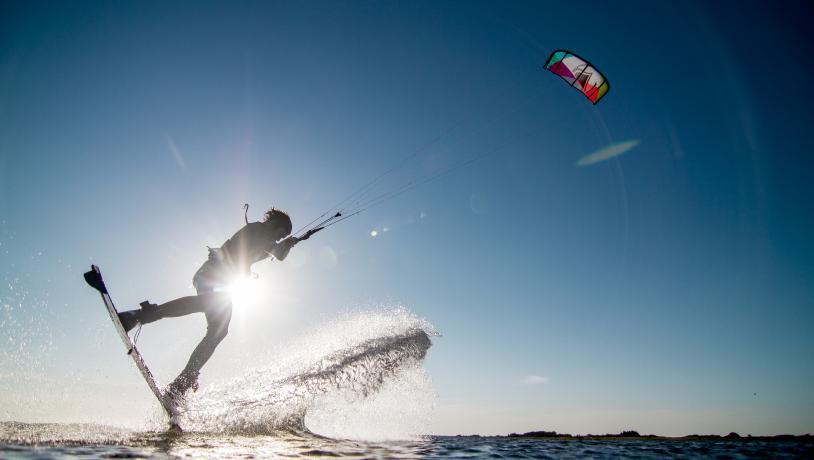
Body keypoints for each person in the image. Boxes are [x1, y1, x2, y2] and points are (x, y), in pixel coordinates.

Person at [117, 207, 300, 400]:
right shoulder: (258, 230)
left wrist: (289, 244)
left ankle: (182, 384)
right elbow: (273, 251)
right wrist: (284, 245)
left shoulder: (268, 240)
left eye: (284, 236)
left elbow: (278, 253)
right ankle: (139, 315)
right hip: (211, 275)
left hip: (223, 284)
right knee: (206, 304)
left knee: (218, 331)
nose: (281, 237)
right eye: (282, 232)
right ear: (274, 224)